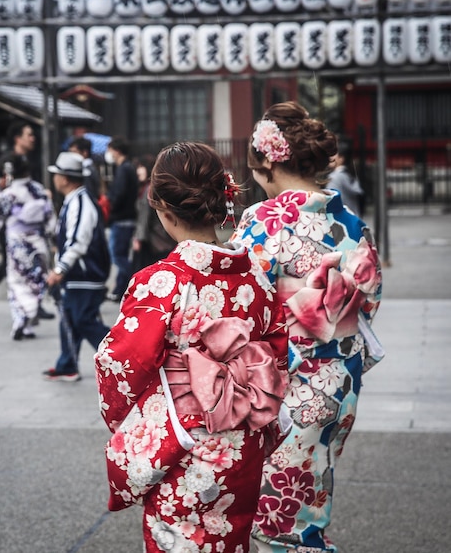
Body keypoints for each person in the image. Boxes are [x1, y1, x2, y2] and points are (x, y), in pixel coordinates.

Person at [94, 142, 290, 552]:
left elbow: (120, 365)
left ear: (163, 211)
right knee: (230, 537)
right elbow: (276, 353)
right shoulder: (256, 276)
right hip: (243, 441)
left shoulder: (162, 282)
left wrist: (130, 422)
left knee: (178, 538)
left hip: (183, 443)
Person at [232, 102, 383, 552]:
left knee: (282, 519)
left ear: (268, 165)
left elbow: (245, 304)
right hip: (340, 380)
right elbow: (368, 301)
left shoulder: (261, 221)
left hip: (288, 381)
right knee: (308, 493)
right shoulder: (353, 224)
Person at [0, 120, 55, 321]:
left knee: (30, 261)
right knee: (15, 264)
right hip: (13, 224)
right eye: (29, 135)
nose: (33, 138)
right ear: (17, 138)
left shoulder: (29, 160)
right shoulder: (5, 162)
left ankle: (30, 303)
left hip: (31, 225)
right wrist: (3, 190)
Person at [43, 152, 111, 382]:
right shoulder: (74, 201)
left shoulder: (80, 202)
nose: (54, 178)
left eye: (57, 174)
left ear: (65, 178)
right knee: (70, 318)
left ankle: (122, 357)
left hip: (85, 273)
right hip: (79, 273)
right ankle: (67, 364)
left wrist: (60, 269)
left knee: (83, 319)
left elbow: (77, 242)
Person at [105, 138, 138, 303]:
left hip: (121, 218)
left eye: (109, 150)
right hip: (127, 217)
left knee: (118, 256)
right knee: (121, 254)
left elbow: (119, 195)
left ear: (116, 150)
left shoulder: (124, 169)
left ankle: (134, 283)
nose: (108, 154)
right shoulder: (127, 168)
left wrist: (110, 206)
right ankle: (120, 289)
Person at [131, 154, 177, 272]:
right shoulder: (147, 188)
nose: (138, 171)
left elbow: (144, 217)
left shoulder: (149, 189)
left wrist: (138, 238)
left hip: (156, 238)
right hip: (157, 238)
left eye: (141, 167)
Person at [326, 138, 365, 217]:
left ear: (341, 158)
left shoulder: (334, 178)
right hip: (353, 219)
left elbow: (330, 202)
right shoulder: (350, 175)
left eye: (333, 154)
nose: (329, 157)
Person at [68, 136, 102, 200]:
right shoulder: (88, 168)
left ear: (85, 153)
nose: (71, 155)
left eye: (74, 152)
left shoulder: (88, 171)